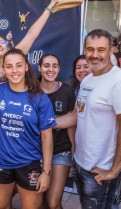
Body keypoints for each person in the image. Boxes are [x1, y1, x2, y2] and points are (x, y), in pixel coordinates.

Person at [56, 29, 121, 208]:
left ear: (111, 51)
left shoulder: (120, 81)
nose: (94, 55)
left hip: (102, 170)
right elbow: (77, 115)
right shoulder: (88, 80)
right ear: (84, 51)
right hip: (81, 163)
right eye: (90, 49)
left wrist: (114, 170)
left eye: (101, 50)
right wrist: (45, 123)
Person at [0, 48, 56, 209]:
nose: (14, 71)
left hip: (29, 163)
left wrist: (46, 172)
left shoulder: (39, 98)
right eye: (9, 66)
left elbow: (47, 138)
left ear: (26, 66)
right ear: (4, 69)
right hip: (1, 161)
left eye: (19, 65)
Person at [0, 0, 60, 83]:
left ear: (7, 46)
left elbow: (31, 35)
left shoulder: (16, 55)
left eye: (2, 42)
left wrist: (49, 9)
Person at [38, 54, 76, 209]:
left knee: (53, 203)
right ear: (39, 68)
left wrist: (74, 148)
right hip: (35, 153)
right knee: (38, 202)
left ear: (59, 69)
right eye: (46, 65)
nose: (50, 69)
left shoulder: (67, 91)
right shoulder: (32, 90)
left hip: (61, 151)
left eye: (54, 66)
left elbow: (72, 121)